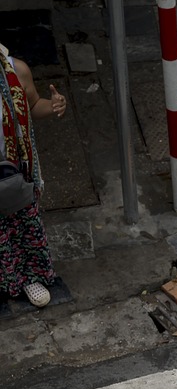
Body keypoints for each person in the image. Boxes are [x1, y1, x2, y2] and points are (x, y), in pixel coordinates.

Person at [0, 42, 66, 308]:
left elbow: (34, 104)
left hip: (14, 171)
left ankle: (29, 278)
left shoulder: (16, 70)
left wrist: (53, 106)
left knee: (21, 225)